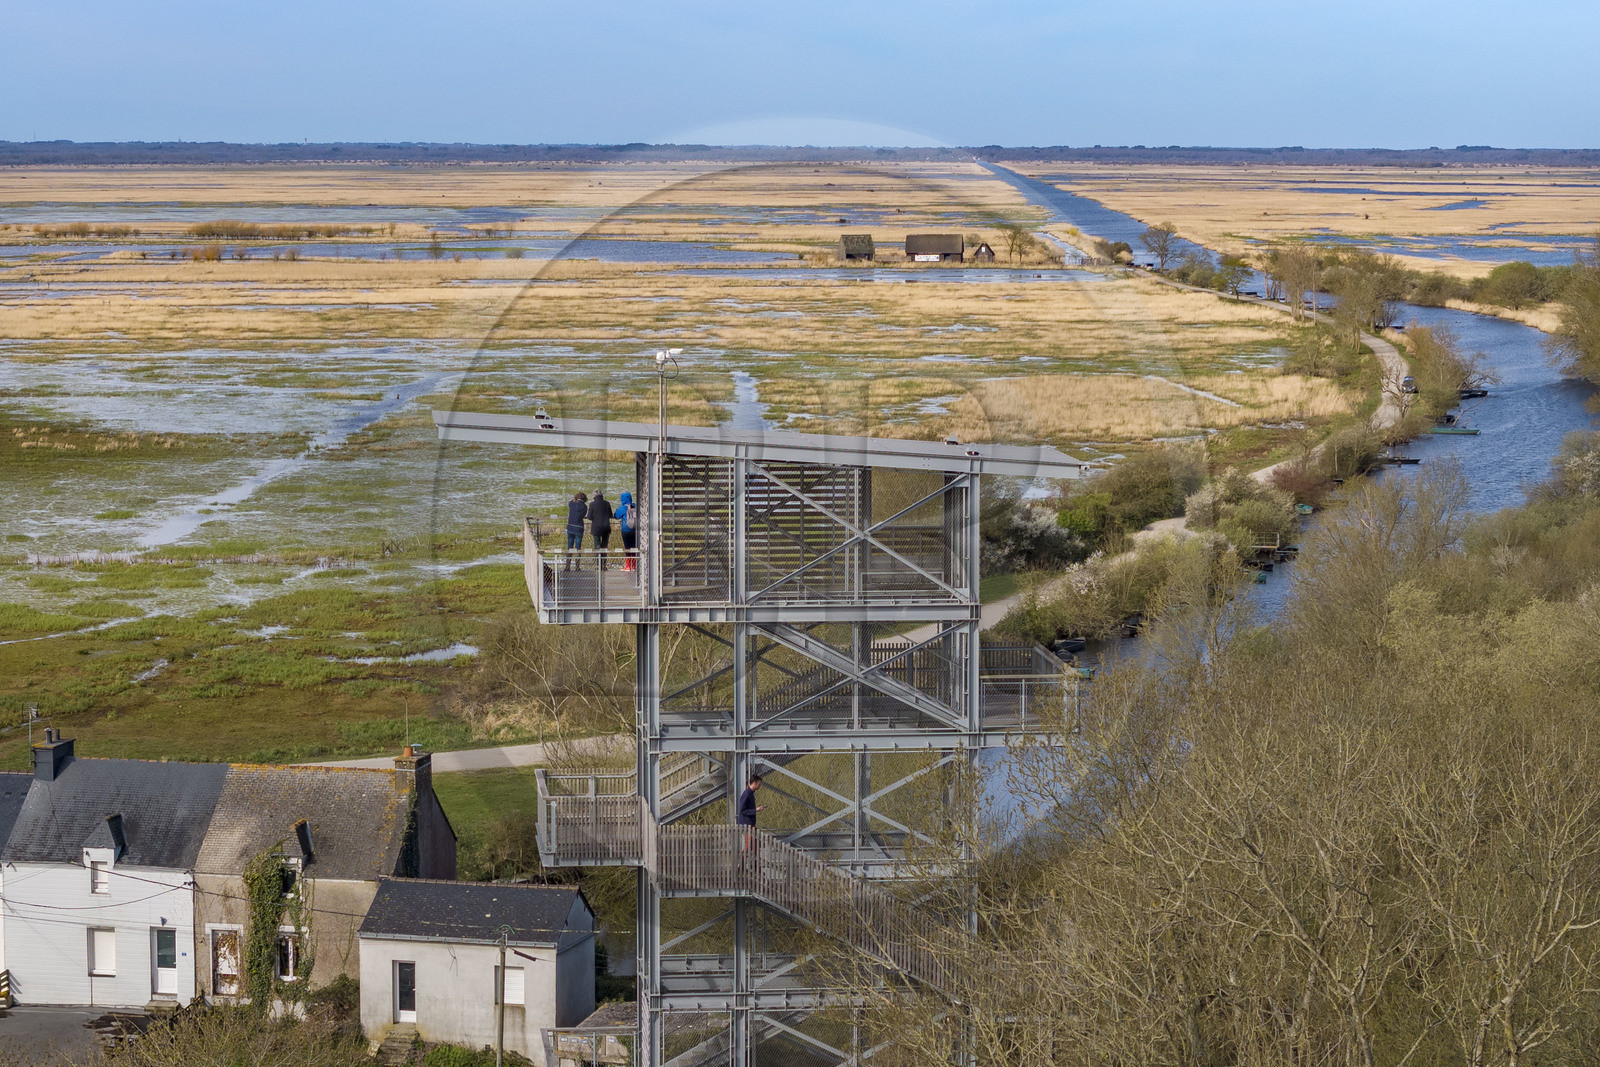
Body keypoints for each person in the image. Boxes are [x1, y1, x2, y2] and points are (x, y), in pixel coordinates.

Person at [736, 774, 764, 868]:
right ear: (755, 783)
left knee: (755, 845)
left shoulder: (750, 793)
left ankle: (754, 865)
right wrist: (755, 810)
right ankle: (742, 864)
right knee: (749, 845)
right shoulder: (747, 794)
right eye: (759, 784)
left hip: (750, 823)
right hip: (746, 824)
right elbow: (742, 810)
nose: (760, 786)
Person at [614, 490, 638, 572]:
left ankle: (628, 566)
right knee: (634, 547)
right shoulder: (635, 506)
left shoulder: (622, 508)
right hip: (635, 530)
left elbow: (616, 516)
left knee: (627, 547)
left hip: (625, 530)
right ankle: (634, 566)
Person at [588, 490, 612, 569]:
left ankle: (598, 565)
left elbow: (589, 517)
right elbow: (610, 515)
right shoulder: (607, 503)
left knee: (597, 546)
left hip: (596, 528)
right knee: (604, 547)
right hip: (606, 527)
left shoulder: (592, 504)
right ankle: (604, 565)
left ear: (594, 496)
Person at [564, 492, 587, 571]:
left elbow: (570, 502)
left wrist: (574, 500)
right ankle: (577, 567)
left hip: (570, 527)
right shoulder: (584, 507)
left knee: (569, 547)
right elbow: (583, 515)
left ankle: (567, 566)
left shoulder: (572, 504)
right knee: (578, 548)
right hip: (579, 528)